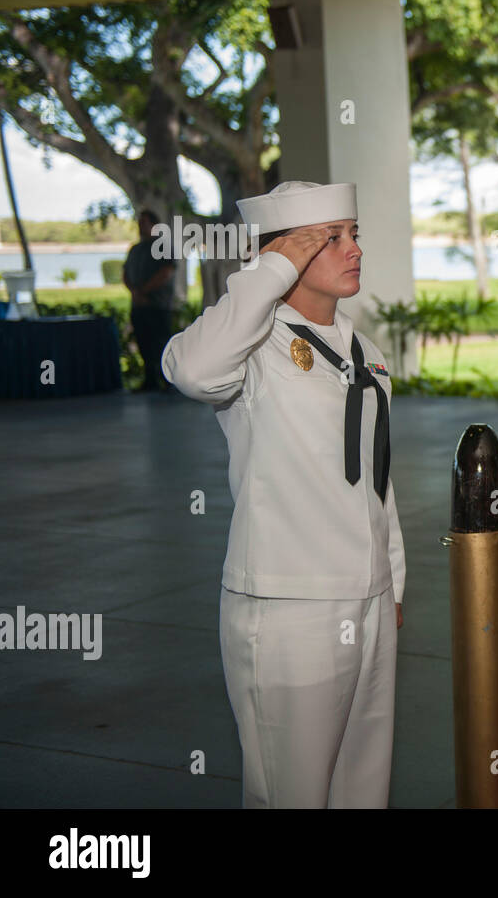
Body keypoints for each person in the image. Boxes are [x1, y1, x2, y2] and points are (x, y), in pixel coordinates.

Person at [162, 180, 407, 808]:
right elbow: (190, 369)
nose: (354, 249)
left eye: (355, 235)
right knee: (289, 793)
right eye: (332, 239)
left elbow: (378, 482)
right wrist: (271, 267)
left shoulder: (365, 352)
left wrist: (391, 583)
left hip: (368, 598)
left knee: (362, 789)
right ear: (285, 257)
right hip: (288, 606)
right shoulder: (253, 346)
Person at [122, 209, 175, 392]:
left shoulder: (163, 246)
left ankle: (168, 380)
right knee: (144, 343)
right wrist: (135, 292)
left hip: (158, 305)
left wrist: (144, 291)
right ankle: (150, 380)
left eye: (144, 222)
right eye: (139, 223)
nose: (141, 226)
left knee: (161, 343)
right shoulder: (135, 250)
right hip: (138, 306)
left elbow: (166, 272)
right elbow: (126, 274)